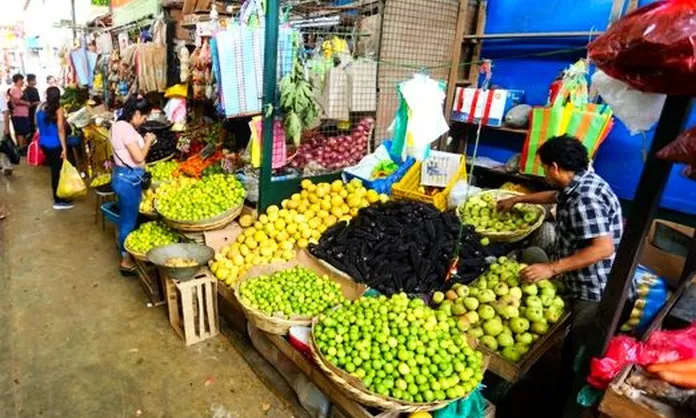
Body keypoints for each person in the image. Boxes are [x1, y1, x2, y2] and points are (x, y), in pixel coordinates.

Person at [497, 135, 631, 412]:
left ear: (555, 167)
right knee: (576, 347)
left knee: (580, 352)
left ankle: (569, 404)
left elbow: (603, 248)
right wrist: (520, 200)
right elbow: (554, 196)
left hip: (595, 288)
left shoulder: (585, 199)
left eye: (545, 168)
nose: (545, 173)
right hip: (581, 279)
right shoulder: (580, 182)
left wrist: (552, 268)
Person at [110, 95, 155, 275]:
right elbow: (139, 157)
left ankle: (125, 252)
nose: (143, 121)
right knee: (129, 221)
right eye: (143, 117)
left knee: (126, 218)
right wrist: (149, 141)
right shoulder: (126, 129)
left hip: (121, 176)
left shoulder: (116, 125)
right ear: (136, 113)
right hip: (129, 180)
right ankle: (125, 261)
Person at [36, 87, 72, 210]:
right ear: (58, 96)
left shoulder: (40, 107)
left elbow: (38, 125)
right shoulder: (58, 110)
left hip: (44, 142)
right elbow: (61, 130)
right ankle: (58, 201)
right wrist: (64, 148)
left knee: (54, 170)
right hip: (55, 144)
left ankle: (60, 196)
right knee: (56, 173)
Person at [8, 74, 31, 149]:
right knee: (20, 132)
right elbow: (16, 101)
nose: (23, 82)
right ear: (18, 80)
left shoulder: (19, 89)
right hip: (18, 114)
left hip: (23, 114)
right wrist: (26, 103)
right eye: (22, 80)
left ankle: (23, 146)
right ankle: (21, 147)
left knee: (24, 131)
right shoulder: (15, 89)